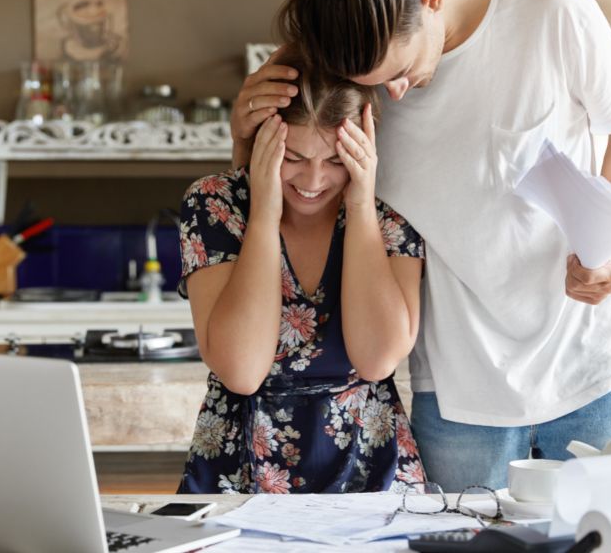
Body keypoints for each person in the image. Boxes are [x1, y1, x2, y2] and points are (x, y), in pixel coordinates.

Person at [231, 0, 611, 491]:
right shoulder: (341, 58)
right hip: (458, 397)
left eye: (399, 71)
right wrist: (242, 135)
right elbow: (300, 183)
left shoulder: (552, 9)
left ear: (430, 0)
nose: (395, 94)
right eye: (375, 82)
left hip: (591, 369)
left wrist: (599, 242)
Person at [177, 50, 426, 494]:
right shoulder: (216, 204)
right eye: (292, 156)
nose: (313, 180)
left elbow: (376, 360)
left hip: (369, 465)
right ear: (263, 144)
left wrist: (360, 205)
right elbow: (242, 370)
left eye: (335, 161)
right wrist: (264, 214)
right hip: (241, 464)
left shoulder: (390, 211)